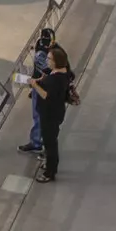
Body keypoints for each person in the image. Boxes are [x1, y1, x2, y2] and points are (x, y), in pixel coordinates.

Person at [29, 45, 78, 182]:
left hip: (50, 115)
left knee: (50, 143)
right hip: (56, 113)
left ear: (56, 61)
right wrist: (41, 81)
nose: (47, 61)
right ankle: (50, 164)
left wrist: (34, 85)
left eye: (49, 59)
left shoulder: (55, 80)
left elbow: (46, 95)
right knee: (50, 140)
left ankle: (50, 172)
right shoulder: (63, 73)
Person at [16, 31, 54, 155]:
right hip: (45, 88)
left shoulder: (40, 55)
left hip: (42, 88)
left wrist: (34, 83)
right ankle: (42, 141)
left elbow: (45, 71)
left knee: (38, 115)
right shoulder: (56, 51)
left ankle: (37, 143)